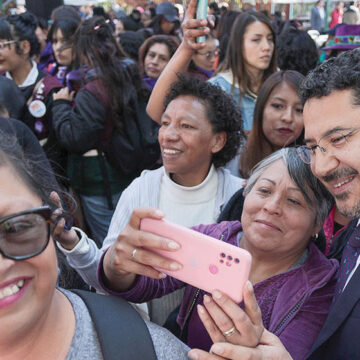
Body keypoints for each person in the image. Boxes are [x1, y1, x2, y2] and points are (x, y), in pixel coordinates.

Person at [188, 47, 360, 360]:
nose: (321, 167)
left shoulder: (318, 279)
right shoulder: (352, 241)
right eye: (314, 148)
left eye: (338, 139)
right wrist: (117, 265)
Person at [98, 147, 337, 359]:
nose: (272, 207)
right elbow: (145, 284)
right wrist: (115, 265)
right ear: (246, 192)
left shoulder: (321, 284)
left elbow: (292, 352)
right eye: (264, 191)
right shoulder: (216, 238)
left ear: (318, 223)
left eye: (294, 201)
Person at [55, 73, 244, 325]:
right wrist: (73, 243)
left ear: (217, 140)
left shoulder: (239, 196)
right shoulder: (141, 190)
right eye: (165, 123)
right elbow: (106, 276)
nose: (168, 135)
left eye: (185, 126)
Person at [0, 133, 190, 360]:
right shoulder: (139, 188)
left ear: (53, 217)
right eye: (166, 123)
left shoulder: (148, 349)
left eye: (17, 227)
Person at [51, 16, 145, 246]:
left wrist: (61, 106)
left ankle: (114, 280)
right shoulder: (128, 73)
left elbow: (75, 138)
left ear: (83, 50)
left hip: (100, 179)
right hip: (127, 167)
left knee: (111, 242)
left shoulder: (93, 89)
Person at [0, 13, 64, 178]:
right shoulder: (2, 85)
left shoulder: (49, 87)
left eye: (2, 44)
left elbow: (58, 148)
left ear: (25, 46)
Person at [209, 11, 277, 131]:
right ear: (239, 44)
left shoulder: (280, 84)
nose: (266, 47)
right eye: (256, 40)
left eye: (270, 39)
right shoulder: (218, 88)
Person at [236, 70, 304, 178]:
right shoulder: (232, 155)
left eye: (299, 110)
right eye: (278, 106)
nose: (288, 118)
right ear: (260, 108)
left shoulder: (313, 167)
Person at [46, 17, 81, 86]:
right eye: (55, 41)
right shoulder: (51, 73)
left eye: (65, 41)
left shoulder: (89, 80)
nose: (58, 48)